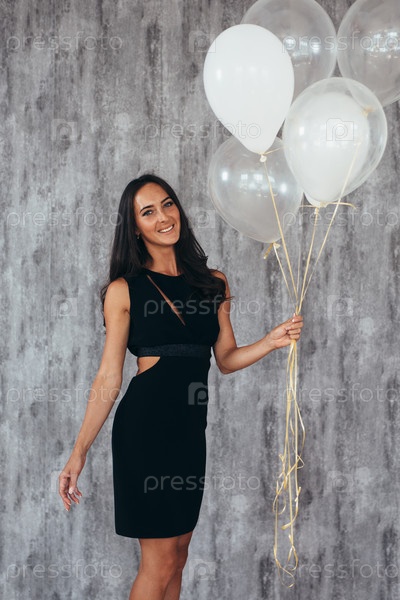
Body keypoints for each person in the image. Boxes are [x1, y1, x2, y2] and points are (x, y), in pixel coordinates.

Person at [59, 173, 304, 600]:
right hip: (144, 431)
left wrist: (270, 341)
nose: (163, 217)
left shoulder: (214, 282)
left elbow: (225, 359)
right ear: (135, 227)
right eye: (148, 212)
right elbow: (108, 377)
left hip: (190, 432)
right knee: (159, 562)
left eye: (167, 204)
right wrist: (79, 452)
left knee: (179, 555)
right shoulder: (123, 291)